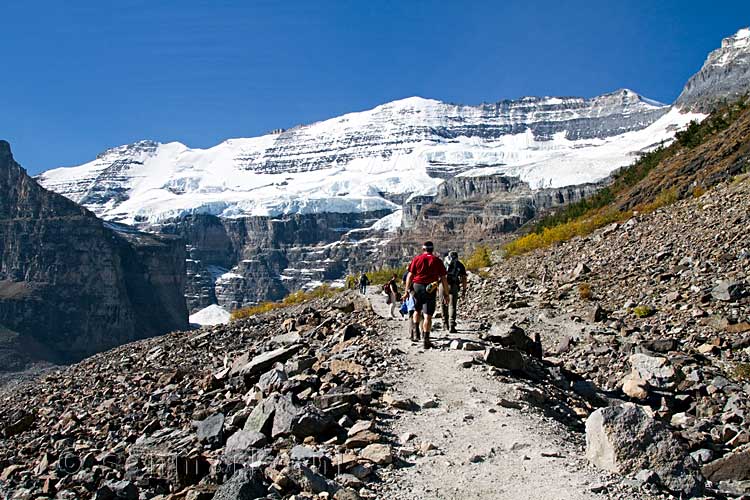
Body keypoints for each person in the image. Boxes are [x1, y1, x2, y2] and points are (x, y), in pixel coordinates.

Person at [402, 241, 450, 349]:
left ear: (423, 249)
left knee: (417, 310)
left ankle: (416, 333)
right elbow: (443, 279)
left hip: (417, 286)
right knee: (428, 315)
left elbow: (410, 276)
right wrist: (446, 294)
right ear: (432, 250)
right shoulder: (437, 261)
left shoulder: (417, 259)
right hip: (430, 288)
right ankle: (426, 340)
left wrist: (406, 291)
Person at [441, 250, 468, 333]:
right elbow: (464, 278)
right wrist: (464, 289)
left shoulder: (443, 263)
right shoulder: (460, 265)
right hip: (454, 286)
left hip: (442, 285)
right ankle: (452, 325)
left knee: (443, 304)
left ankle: (445, 324)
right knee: (452, 305)